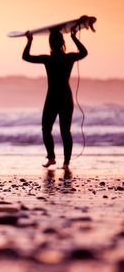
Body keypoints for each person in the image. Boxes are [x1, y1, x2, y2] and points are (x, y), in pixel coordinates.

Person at [22, 27, 87, 170]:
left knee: (46, 129)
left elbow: (26, 57)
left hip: (52, 98)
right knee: (65, 131)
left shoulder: (48, 59)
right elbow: (84, 53)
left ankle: (51, 158)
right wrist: (74, 37)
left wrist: (29, 41)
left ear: (50, 44)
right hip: (65, 97)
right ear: (62, 42)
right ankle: (66, 163)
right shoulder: (69, 57)